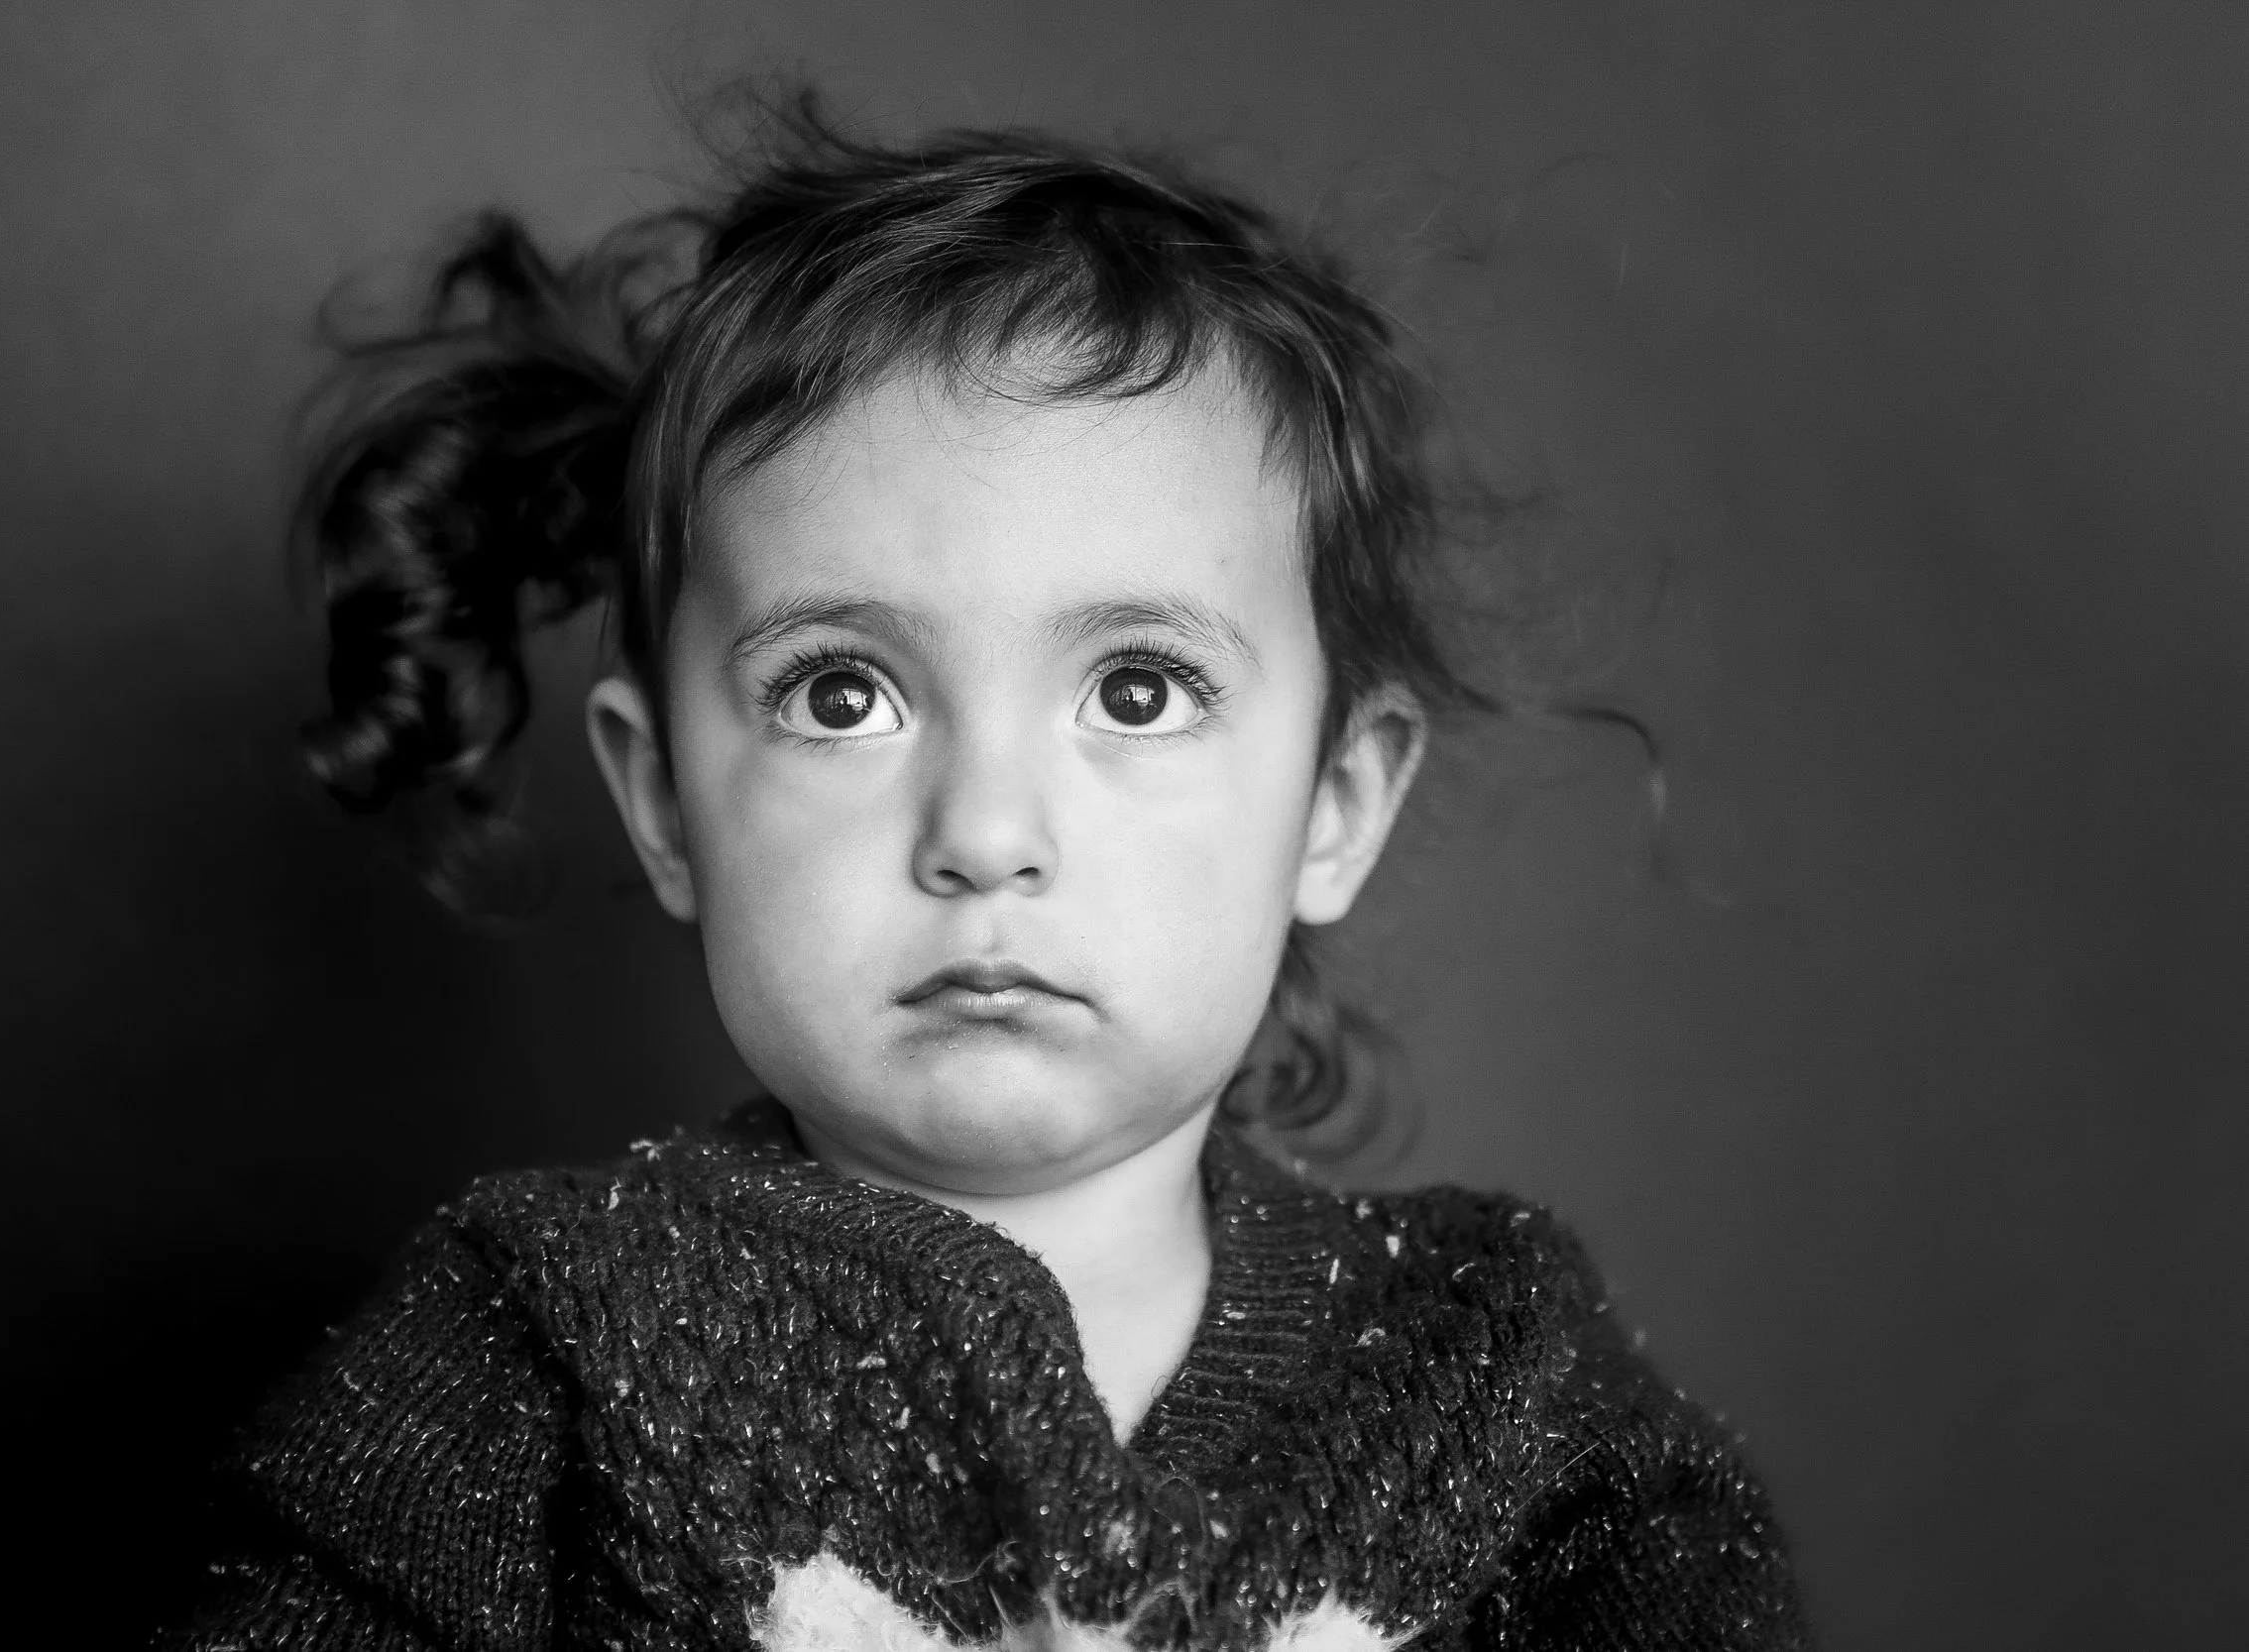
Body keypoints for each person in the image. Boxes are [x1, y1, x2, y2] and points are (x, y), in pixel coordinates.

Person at [169, 101, 1809, 1652]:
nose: (985, 828)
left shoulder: (1499, 1369)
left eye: (1138, 691)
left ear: (1336, 801)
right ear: (664, 800)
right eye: (842, 695)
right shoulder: (539, 1339)